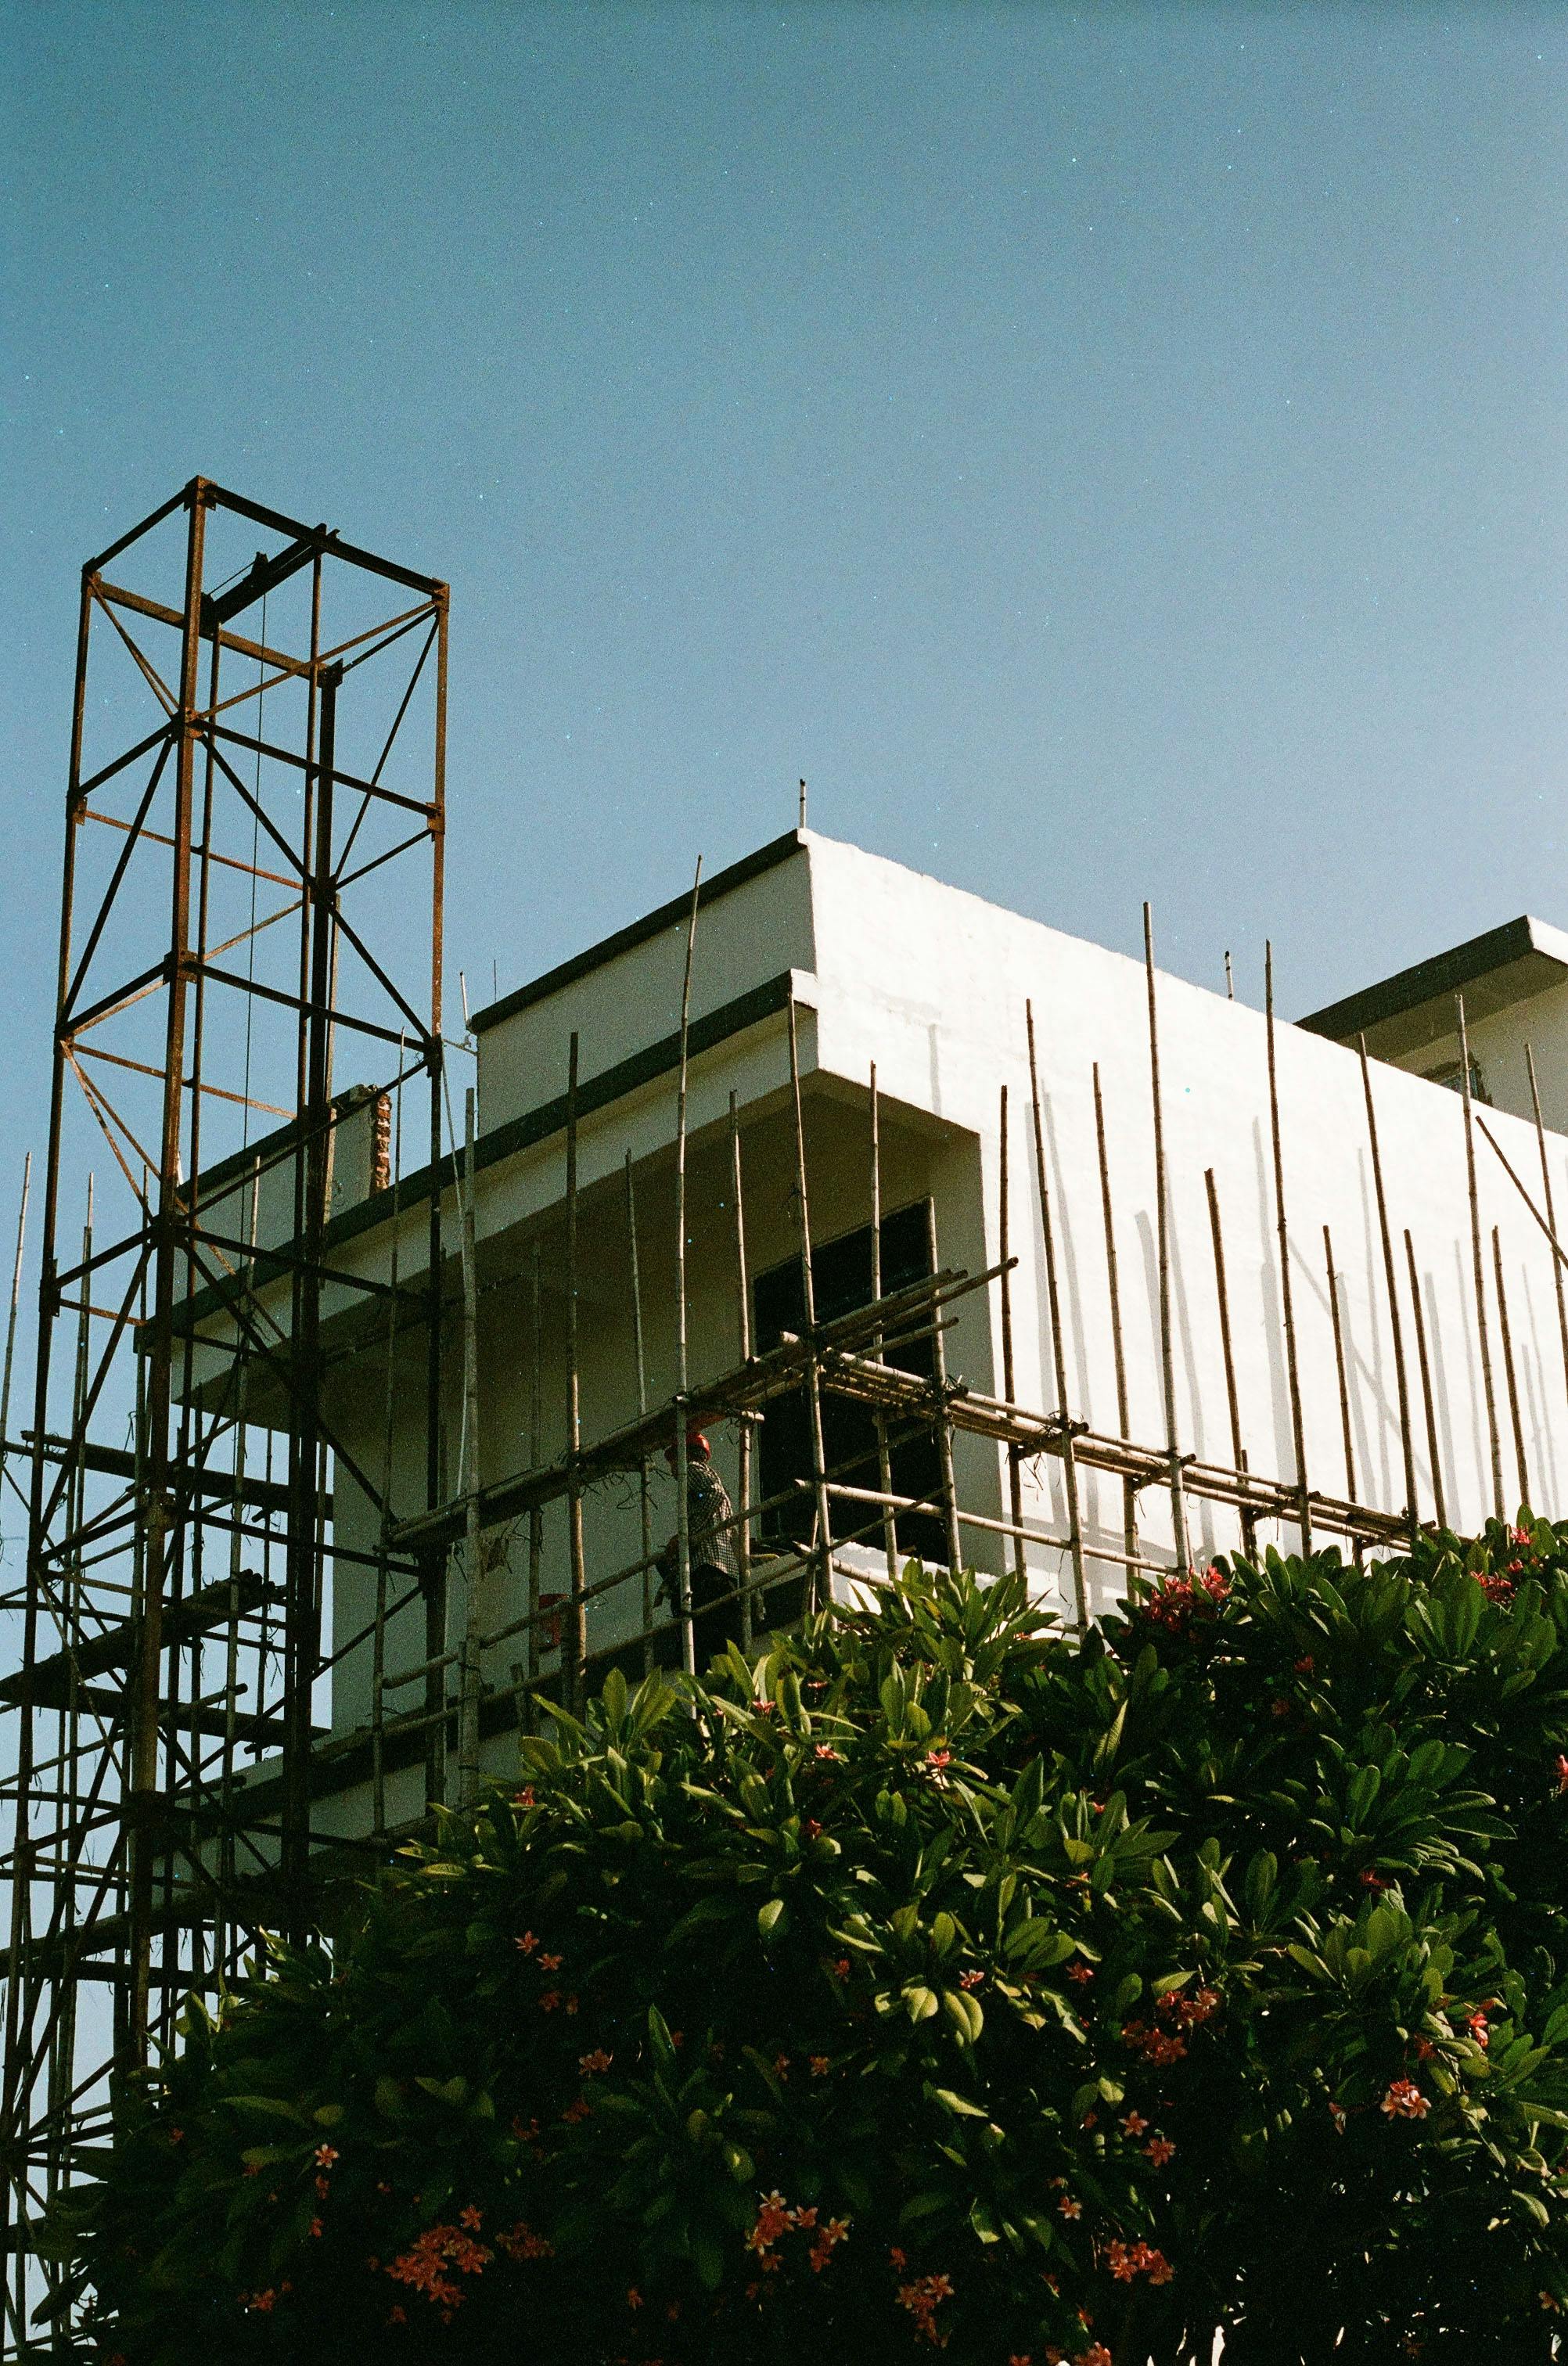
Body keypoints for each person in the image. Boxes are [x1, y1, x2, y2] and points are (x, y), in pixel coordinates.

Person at [656, 1427, 740, 1668]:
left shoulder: (691, 1470)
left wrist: (686, 1537)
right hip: (723, 1574)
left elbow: (713, 1495)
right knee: (722, 1650)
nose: (672, 1469)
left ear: (684, 1456)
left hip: (708, 1571)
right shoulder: (708, 1475)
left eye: (673, 1460)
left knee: (702, 1648)